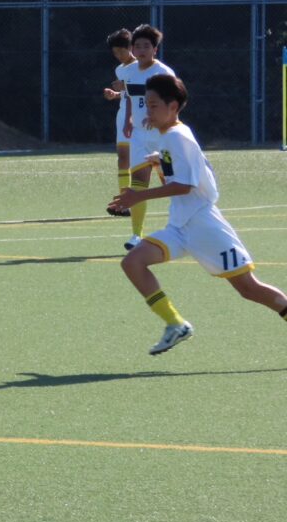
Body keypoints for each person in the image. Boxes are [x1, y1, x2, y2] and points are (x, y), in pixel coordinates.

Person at [108, 74, 287, 355]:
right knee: (133, 262)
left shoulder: (177, 136)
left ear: (173, 106)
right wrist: (160, 161)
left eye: (153, 106)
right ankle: (175, 324)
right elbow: (185, 173)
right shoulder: (169, 136)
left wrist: (138, 196)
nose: (148, 112)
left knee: (249, 289)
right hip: (180, 225)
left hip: (205, 225)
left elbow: (186, 186)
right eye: (147, 105)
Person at [115, 24, 175, 250]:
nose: (141, 50)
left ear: (155, 50)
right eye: (137, 46)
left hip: (162, 137)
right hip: (140, 136)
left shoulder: (163, 73)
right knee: (138, 183)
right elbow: (131, 98)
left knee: (172, 183)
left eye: (146, 46)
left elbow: (174, 103)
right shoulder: (129, 72)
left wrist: (160, 120)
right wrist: (129, 119)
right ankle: (136, 235)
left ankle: (182, 228)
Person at [101, 28, 136, 218]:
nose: (119, 56)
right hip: (123, 116)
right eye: (115, 53)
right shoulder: (120, 69)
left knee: (155, 160)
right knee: (123, 158)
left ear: (131, 47)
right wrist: (115, 95)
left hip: (142, 118)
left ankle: (177, 193)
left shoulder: (143, 66)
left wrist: (126, 87)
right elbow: (127, 95)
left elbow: (148, 90)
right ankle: (124, 203)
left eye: (121, 51)